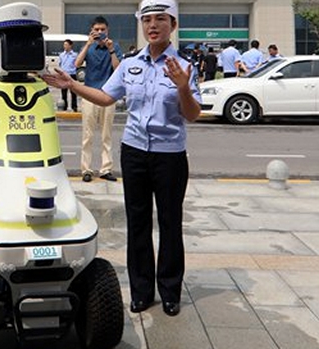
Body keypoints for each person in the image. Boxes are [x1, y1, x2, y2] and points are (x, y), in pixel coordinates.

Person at [43, 0, 201, 317]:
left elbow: (193, 115)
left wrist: (183, 88)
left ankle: (170, 291)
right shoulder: (131, 65)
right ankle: (142, 291)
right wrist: (73, 84)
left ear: (173, 24)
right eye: (147, 20)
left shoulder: (184, 67)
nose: (152, 25)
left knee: (170, 224)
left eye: (160, 19)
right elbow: (106, 96)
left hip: (170, 156)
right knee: (138, 223)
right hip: (134, 153)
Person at [74, 15, 122, 183]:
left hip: (108, 96)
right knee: (87, 135)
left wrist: (111, 50)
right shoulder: (89, 47)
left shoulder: (114, 47)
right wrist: (88, 44)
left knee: (106, 135)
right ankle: (86, 169)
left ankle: (105, 169)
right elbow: (77, 64)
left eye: (103, 30)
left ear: (107, 31)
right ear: (92, 31)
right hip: (89, 95)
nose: (100, 32)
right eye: (97, 30)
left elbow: (118, 69)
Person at [58, 39, 78, 111]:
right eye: (64, 45)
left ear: (70, 45)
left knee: (73, 92)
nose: (65, 46)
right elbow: (60, 64)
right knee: (63, 92)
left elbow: (77, 64)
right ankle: (64, 106)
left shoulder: (74, 55)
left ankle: (74, 106)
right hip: (63, 75)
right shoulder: (61, 55)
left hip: (72, 75)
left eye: (66, 45)